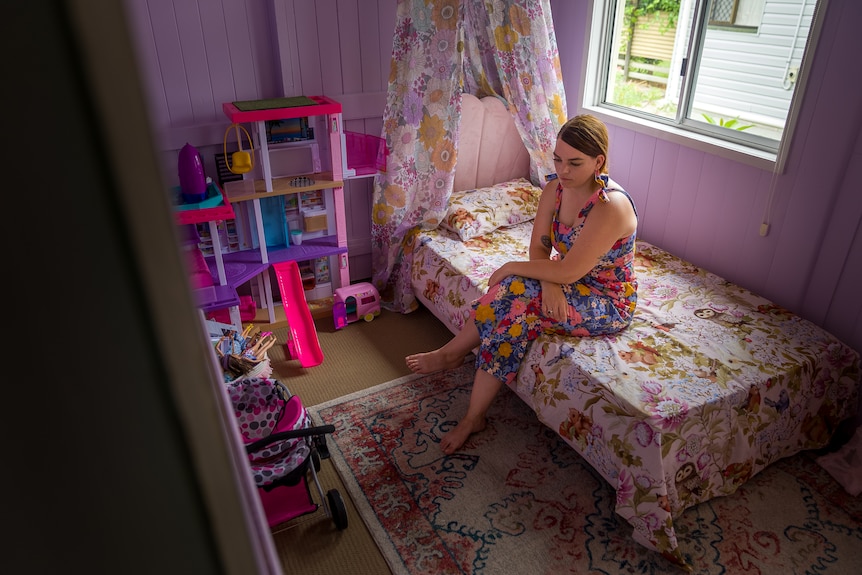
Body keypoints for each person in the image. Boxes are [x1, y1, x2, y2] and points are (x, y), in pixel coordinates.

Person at [405, 114, 639, 455]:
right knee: (515, 299)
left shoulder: (610, 207)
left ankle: (458, 370)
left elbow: (568, 271)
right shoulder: (554, 190)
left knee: (514, 290)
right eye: (558, 159)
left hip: (606, 300)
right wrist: (548, 281)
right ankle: (469, 400)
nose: (564, 170)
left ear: (598, 161)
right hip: (567, 277)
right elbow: (541, 247)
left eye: (575, 163)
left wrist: (515, 268)